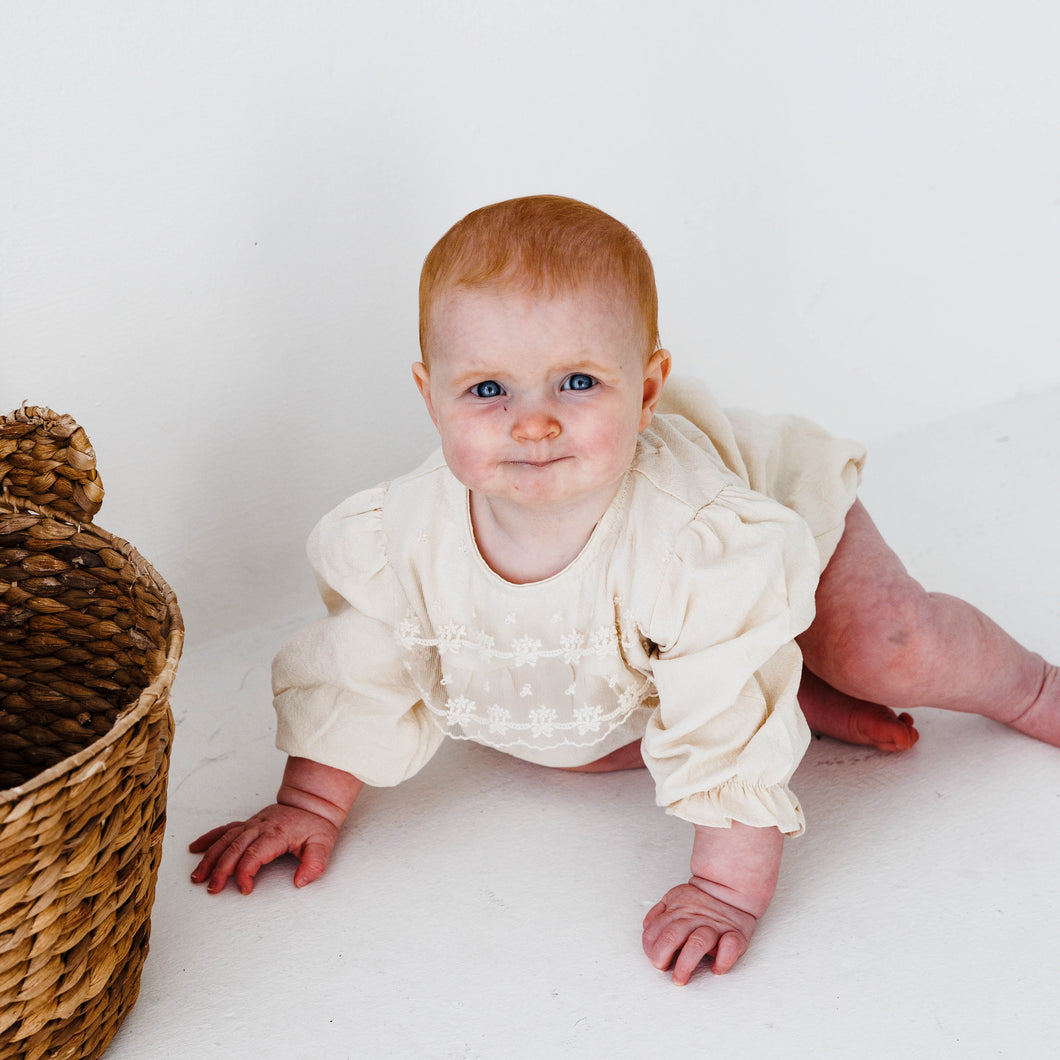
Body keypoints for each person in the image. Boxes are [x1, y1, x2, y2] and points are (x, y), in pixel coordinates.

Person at [190, 195, 1059, 985]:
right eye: (487, 389)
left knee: (886, 648)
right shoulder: (404, 535)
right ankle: (802, 686)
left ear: (646, 390)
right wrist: (308, 801)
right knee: (573, 749)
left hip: (770, 525)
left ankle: (1028, 687)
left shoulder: (699, 538)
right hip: (638, 648)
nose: (534, 422)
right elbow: (362, 666)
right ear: (430, 395)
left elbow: (718, 720)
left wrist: (724, 890)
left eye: (578, 382)